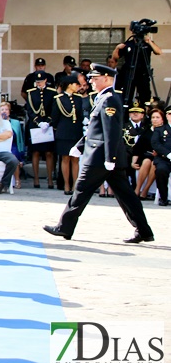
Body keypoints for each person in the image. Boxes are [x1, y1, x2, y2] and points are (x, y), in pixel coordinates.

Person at [43, 64, 155, 244]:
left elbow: (112, 130)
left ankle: (64, 227)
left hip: (100, 157)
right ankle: (144, 230)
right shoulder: (103, 98)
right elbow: (96, 129)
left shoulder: (109, 99)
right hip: (102, 154)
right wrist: (80, 145)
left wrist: (110, 158)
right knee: (126, 196)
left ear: (107, 79)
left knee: (81, 191)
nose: (91, 82)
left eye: (95, 79)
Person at [113, 23, 162, 109]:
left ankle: (145, 115)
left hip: (143, 74)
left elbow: (158, 52)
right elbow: (115, 58)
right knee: (126, 96)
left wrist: (149, 42)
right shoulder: (128, 44)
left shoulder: (147, 44)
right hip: (129, 74)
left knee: (145, 97)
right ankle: (125, 114)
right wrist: (117, 48)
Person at [52, 74, 85, 195]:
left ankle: (75, 184)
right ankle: (66, 184)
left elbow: (80, 115)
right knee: (65, 158)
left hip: (76, 131)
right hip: (64, 131)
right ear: (70, 85)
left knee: (75, 159)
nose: (78, 86)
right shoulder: (59, 99)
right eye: (76, 84)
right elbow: (55, 118)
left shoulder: (78, 98)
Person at [25, 71, 56, 188]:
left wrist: (48, 121)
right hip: (35, 124)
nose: (39, 84)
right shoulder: (31, 93)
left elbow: (53, 109)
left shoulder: (52, 92)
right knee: (36, 152)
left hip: (48, 124)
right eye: (37, 82)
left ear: (45, 81)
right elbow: (30, 110)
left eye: (41, 81)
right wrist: (38, 122)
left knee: (49, 153)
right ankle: (36, 179)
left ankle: (50, 179)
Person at [148, 108, 170, 206]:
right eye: (169, 114)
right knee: (161, 170)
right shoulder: (160, 129)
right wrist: (169, 154)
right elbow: (155, 143)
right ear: (167, 116)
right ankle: (163, 198)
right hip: (164, 158)